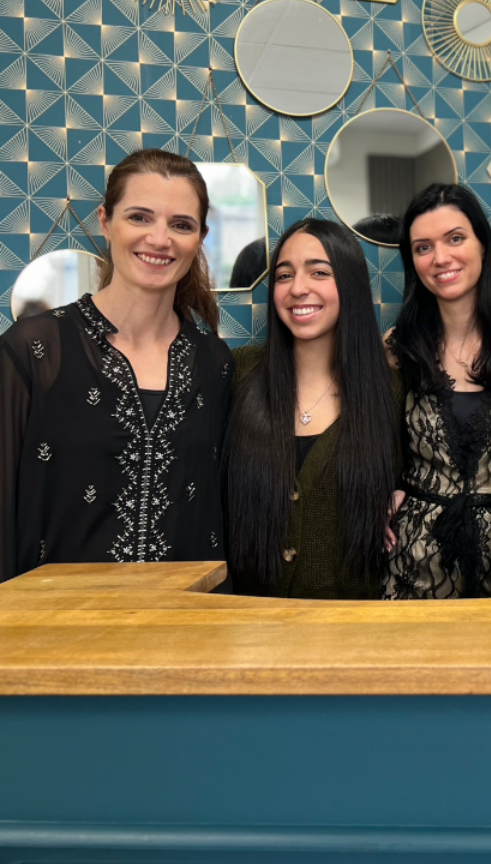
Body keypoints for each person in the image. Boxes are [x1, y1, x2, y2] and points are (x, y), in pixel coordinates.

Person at [0, 149, 232, 582]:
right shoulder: (34, 350)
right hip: (55, 632)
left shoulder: (214, 364)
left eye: (180, 225)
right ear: (106, 222)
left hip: (186, 631)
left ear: (199, 238)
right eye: (140, 217)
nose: (160, 239)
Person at [223, 219, 400, 598]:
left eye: (319, 272)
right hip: (248, 630)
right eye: (284, 276)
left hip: (352, 633)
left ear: (350, 285)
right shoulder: (239, 374)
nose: (298, 288)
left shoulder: (392, 391)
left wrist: (408, 496)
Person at [383, 183, 491, 599]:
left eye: (455, 238)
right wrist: (380, 490)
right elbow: (371, 439)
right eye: (423, 247)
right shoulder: (397, 349)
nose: (441, 258)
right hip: (417, 566)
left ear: (483, 245)